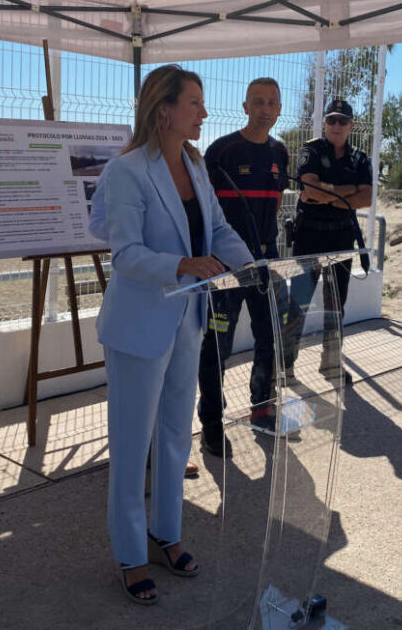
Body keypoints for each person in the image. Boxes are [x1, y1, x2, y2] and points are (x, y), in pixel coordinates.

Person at [95, 65, 252, 605]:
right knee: (131, 443)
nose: (204, 113)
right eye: (194, 103)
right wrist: (183, 265)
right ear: (164, 109)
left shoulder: (194, 163)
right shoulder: (127, 171)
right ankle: (130, 554)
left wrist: (252, 268)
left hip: (188, 320)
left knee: (174, 437)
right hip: (138, 326)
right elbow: (125, 254)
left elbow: (218, 229)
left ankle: (167, 532)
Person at [197, 77, 290, 456]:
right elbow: (203, 208)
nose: (265, 109)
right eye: (258, 101)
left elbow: (276, 203)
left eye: (272, 102)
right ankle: (212, 423)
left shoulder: (280, 152)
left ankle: (262, 409)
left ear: (279, 109)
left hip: (266, 262)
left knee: (269, 338)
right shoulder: (221, 151)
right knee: (217, 345)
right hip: (225, 268)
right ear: (245, 107)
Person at [88, 164, 199, 479]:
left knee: (173, 397)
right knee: (137, 403)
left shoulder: (191, 167)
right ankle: (134, 475)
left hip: (185, 300)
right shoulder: (124, 168)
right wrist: (141, 232)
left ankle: (168, 458)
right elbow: (98, 224)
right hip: (143, 299)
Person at [283, 99, 372, 384]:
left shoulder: (360, 159)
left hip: (342, 238)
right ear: (324, 123)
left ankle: (331, 363)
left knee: (336, 306)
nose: (336, 125)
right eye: (331, 120)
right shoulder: (311, 150)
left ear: (351, 126)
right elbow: (309, 188)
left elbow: (366, 198)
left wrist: (327, 194)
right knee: (298, 304)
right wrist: (347, 192)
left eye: (342, 121)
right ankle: (285, 366)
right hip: (309, 237)